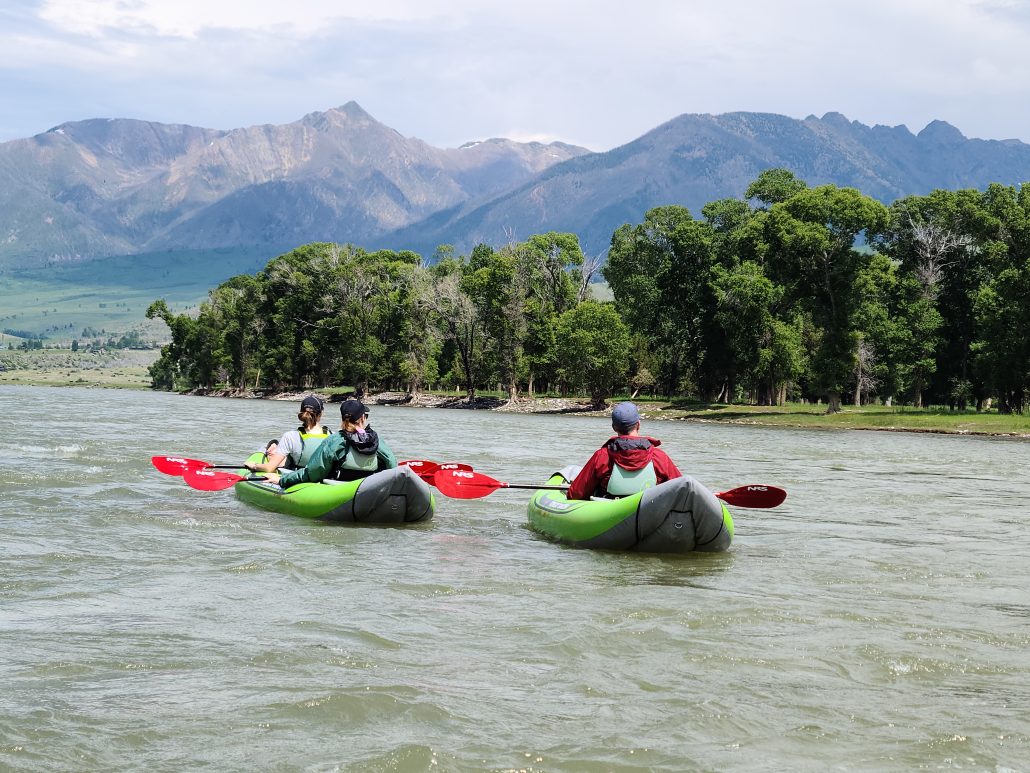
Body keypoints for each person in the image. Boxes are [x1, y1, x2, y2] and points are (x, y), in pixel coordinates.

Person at [262, 399, 397, 488]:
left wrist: (282, 480)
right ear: (363, 417)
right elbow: (391, 465)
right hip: (366, 487)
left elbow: (312, 473)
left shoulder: (334, 441)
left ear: (343, 418)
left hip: (337, 487)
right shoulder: (377, 440)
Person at [566, 401, 682, 500]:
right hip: (649, 513)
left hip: (609, 514)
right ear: (638, 424)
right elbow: (681, 490)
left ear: (614, 427)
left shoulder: (602, 456)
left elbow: (575, 494)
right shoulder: (659, 456)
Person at [246, 394, 331, 473]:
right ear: (321, 414)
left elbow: (269, 468)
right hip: (323, 479)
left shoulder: (290, 436)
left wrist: (254, 465)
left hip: (297, 478)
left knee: (271, 451)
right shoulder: (332, 435)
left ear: (301, 413)